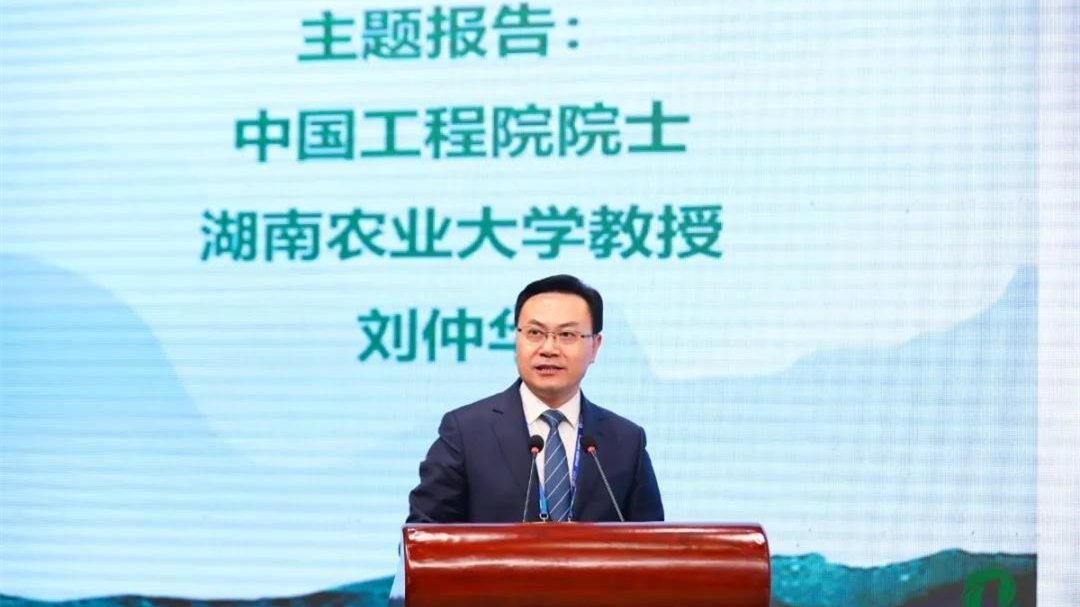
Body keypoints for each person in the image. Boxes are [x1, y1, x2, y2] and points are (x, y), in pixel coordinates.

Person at [407, 274, 664, 523]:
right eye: (535, 333)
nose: (549, 349)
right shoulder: (466, 432)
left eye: (567, 335)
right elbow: (423, 534)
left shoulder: (626, 441)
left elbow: (653, 543)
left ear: (595, 346)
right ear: (517, 339)